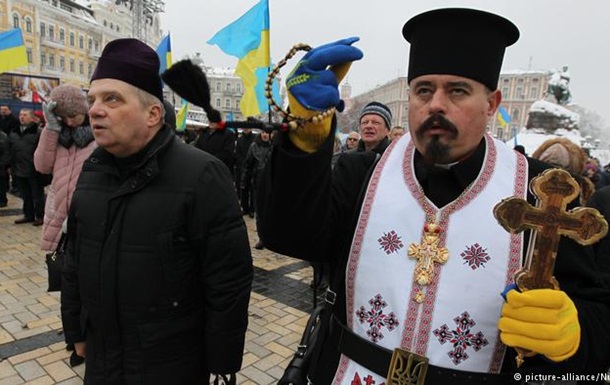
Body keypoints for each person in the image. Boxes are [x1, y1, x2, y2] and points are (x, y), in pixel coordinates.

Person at [259, 8, 610, 384]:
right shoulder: (362, 173)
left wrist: (575, 335)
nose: (436, 104)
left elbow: (599, 317)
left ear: (492, 103)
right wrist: (303, 140)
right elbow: (287, 234)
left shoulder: (545, 194)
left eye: (457, 90)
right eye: (423, 90)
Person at [60, 38, 253, 385]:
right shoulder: (92, 171)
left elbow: (228, 280)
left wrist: (222, 362)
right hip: (102, 362)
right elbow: (74, 259)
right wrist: (76, 331)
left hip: (171, 366)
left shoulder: (201, 175)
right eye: (92, 99)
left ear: (153, 114)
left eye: (112, 99)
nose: (95, 110)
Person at [9, 108, 45, 225]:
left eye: (24, 115)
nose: (21, 117)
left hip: (34, 170)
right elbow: (10, 150)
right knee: (25, 195)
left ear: (32, 118)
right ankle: (28, 215)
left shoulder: (38, 132)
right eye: (20, 115)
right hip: (18, 169)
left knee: (37, 195)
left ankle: (40, 216)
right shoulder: (14, 132)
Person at [241, 129, 272, 249]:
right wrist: (244, 182)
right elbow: (247, 166)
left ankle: (271, 237)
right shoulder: (254, 146)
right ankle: (262, 238)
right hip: (258, 184)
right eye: (263, 132)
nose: (265, 135)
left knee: (270, 212)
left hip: (271, 184)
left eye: (267, 133)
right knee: (259, 212)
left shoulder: (274, 147)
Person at [235, 127, 256, 216]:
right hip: (242, 167)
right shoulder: (239, 140)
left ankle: (252, 209)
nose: (246, 129)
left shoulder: (255, 138)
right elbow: (238, 154)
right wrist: (242, 164)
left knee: (252, 189)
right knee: (243, 189)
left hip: (253, 167)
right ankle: (245, 208)